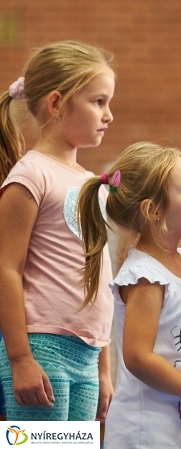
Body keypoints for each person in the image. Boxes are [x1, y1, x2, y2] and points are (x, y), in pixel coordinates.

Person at [0, 41, 116, 421]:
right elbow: (6, 269)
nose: (108, 114)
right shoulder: (31, 175)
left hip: (87, 354)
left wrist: (103, 367)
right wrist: (20, 358)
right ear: (56, 104)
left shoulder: (90, 183)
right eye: (98, 102)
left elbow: (101, 277)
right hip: (41, 346)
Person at [78, 142, 181, 448]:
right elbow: (138, 357)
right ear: (153, 211)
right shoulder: (145, 275)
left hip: (175, 426)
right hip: (142, 430)